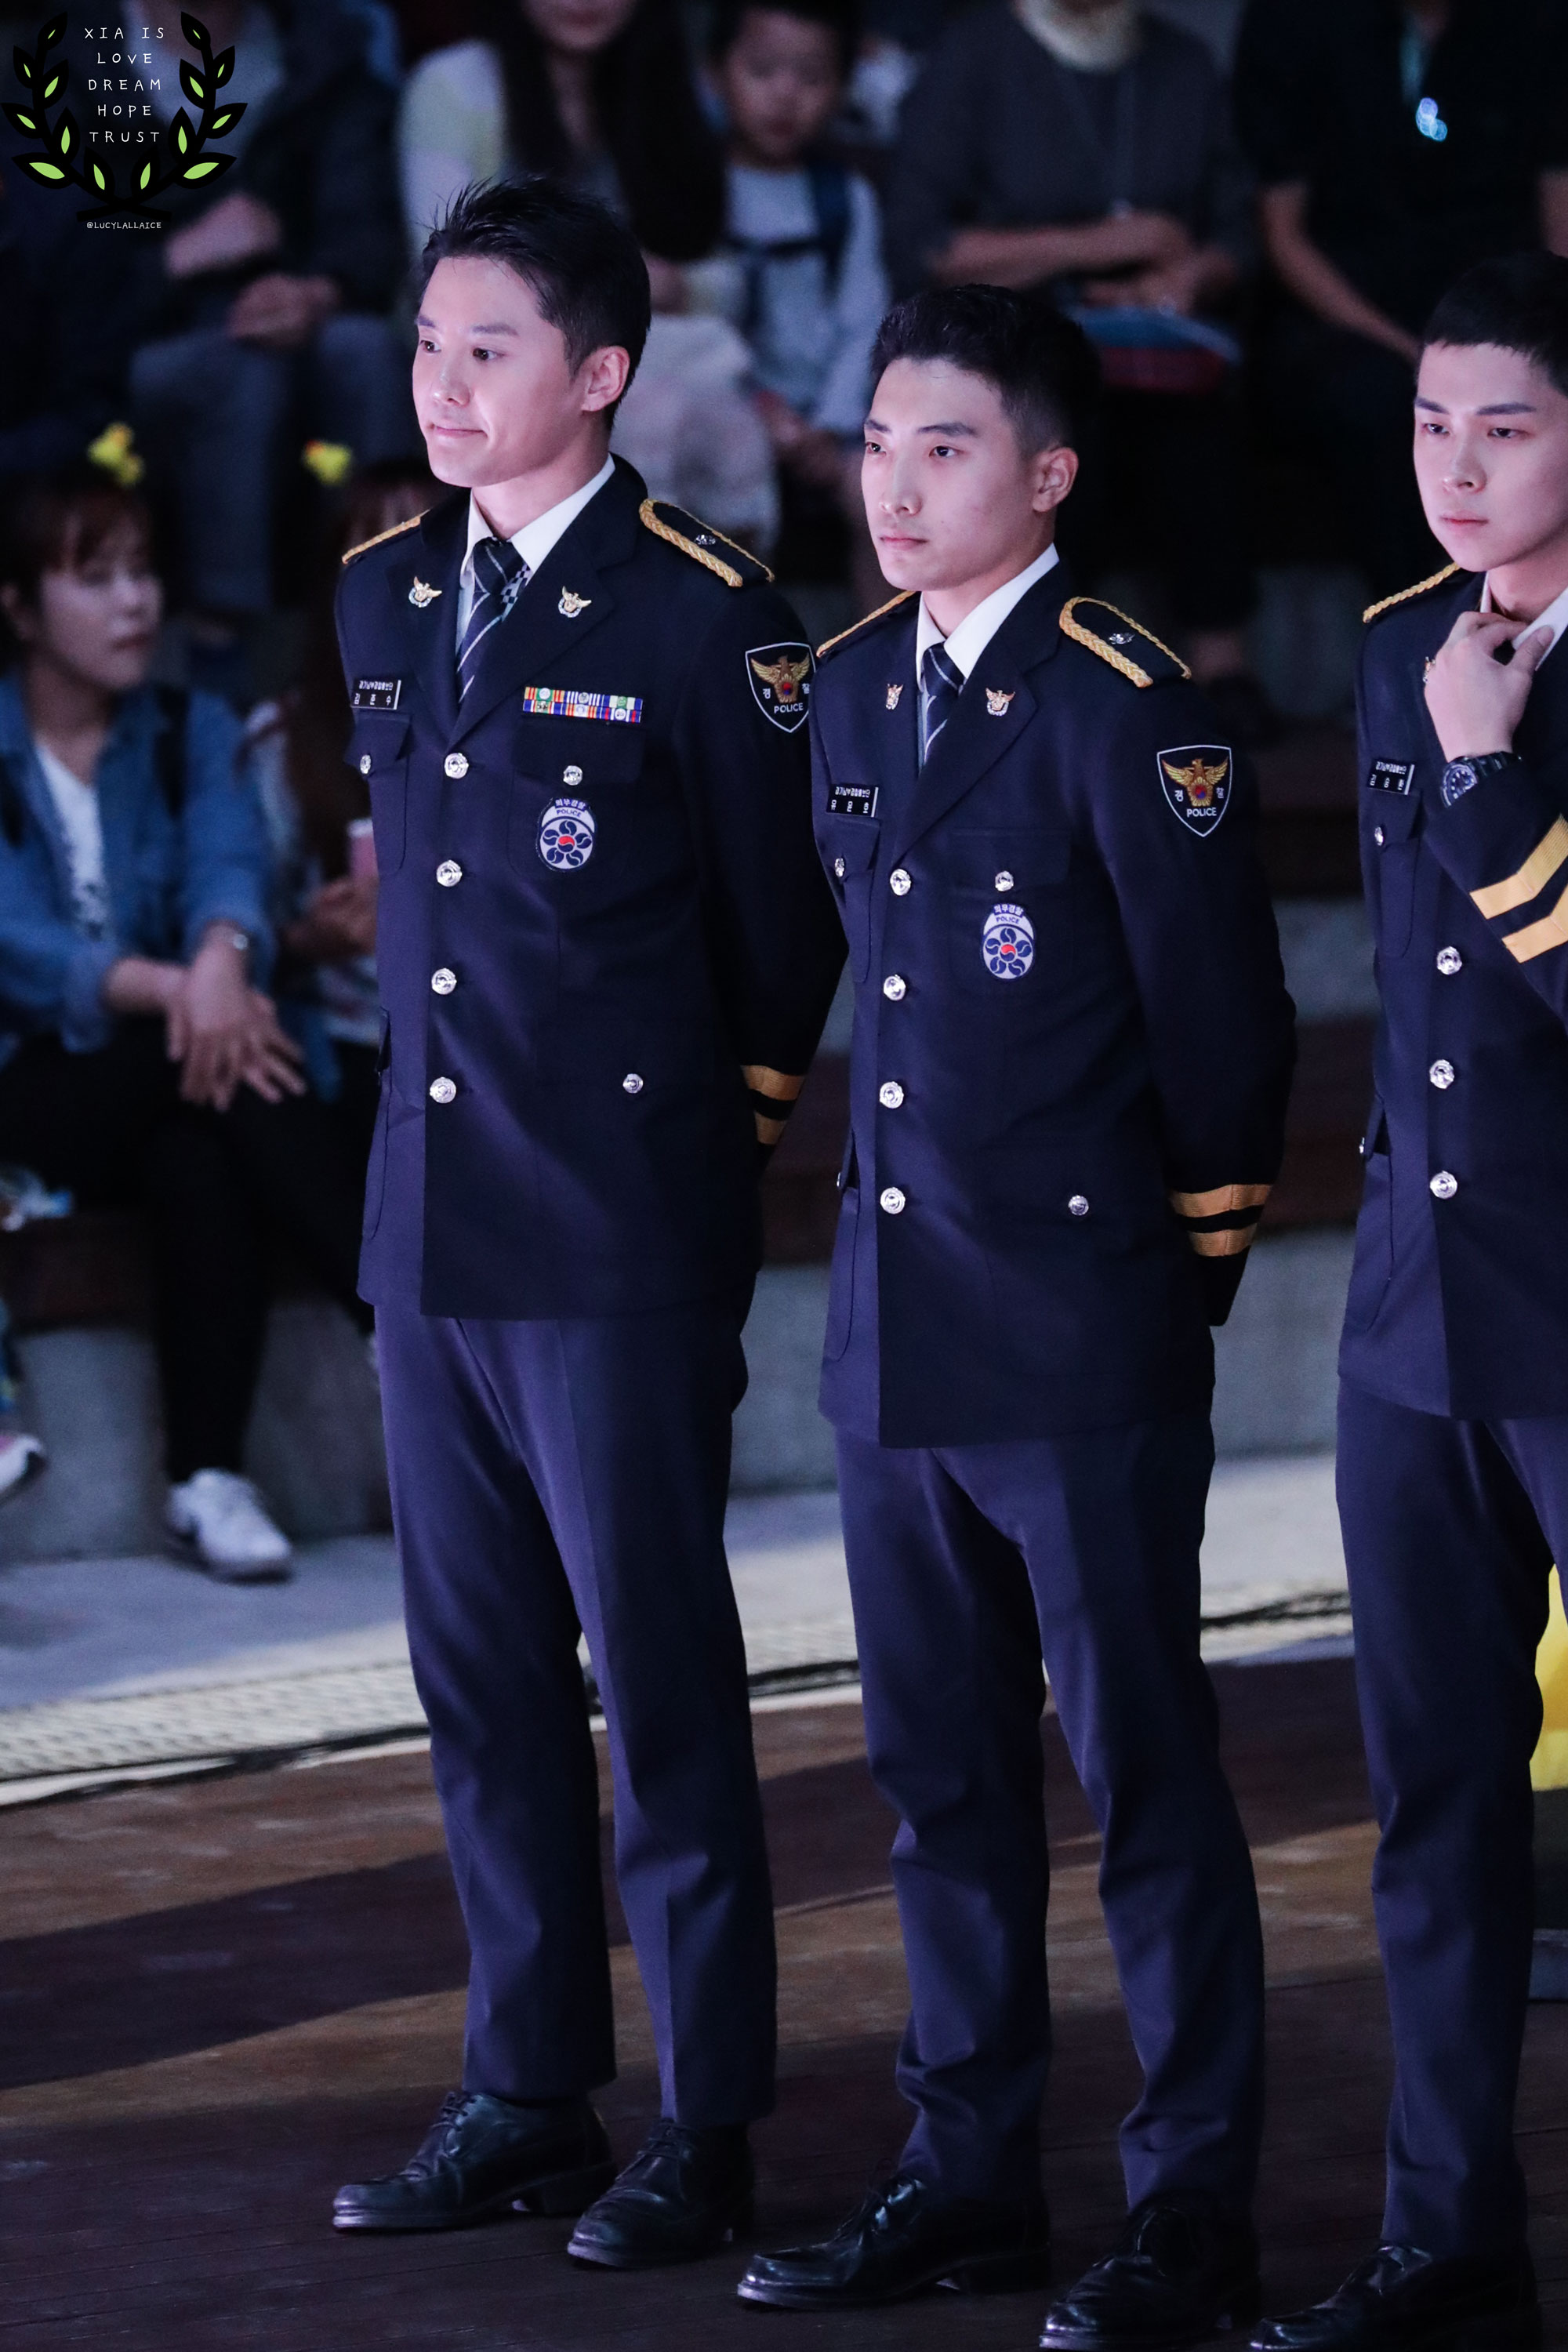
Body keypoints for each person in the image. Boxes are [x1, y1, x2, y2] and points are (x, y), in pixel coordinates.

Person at [735, 285, 1295, 2339]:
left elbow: (1226, 1045)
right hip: (900, 1329)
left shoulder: (1127, 708)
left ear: (1048, 476)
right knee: (939, 1783)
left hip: (1078, 1332)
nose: (893, 484)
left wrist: (1167, 1286)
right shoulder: (850, 693)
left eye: (947, 447)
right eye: (880, 442)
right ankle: (964, 2175)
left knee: (1143, 1782)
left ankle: (1191, 2208)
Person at [329, 178, 844, 2261]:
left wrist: (691, 1164)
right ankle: (527, 2089)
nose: (443, 387)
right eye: (428, 344)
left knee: (662, 1684)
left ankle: (707, 2121)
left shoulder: (709, 616)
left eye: (492, 349)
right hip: (432, 1226)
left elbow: (783, 941)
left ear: (604, 371)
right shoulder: (383, 593)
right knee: (479, 1688)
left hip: (619, 1233)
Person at [1248, 252, 1568, 2352]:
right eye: (1431, 422)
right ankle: (1446, 2236)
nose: (1454, 466)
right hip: (1417, 1315)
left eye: (1505, 426)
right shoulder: (1400, 648)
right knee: (1436, 1811)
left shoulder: (1449, 702)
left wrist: (1483, 772)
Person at [0, 463, 377, 1580]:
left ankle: (206, 1479)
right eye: (96, 579)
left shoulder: (187, 726)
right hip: (29, 1095)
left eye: (142, 573)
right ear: (19, 608)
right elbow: (17, 948)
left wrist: (221, 955)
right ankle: (403, 1330)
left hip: (167, 1079)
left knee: (199, 1142)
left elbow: (230, 867)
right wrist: (182, 990)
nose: (135, 603)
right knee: (210, 1065)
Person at [881, 0, 1272, 738]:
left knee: (1202, 431)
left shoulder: (1182, 64)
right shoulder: (971, 58)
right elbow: (925, 249)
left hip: (1161, 349)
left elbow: (1237, 235)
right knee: (1053, 429)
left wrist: (1185, 276)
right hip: (1015, 342)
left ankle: (1223, 669)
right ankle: (1029, 673)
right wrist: (1099, 245)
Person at [398, 0, 779, 546]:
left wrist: (669, 284)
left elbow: (724, 279)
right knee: (648, 406)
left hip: (655, 344)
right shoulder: (455, 86)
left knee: (720, 412)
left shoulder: (666, 86)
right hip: (496, 348)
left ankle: (717, 594)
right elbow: (440, 266)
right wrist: (627, 284)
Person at [123, 0, 417, 687]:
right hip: (130, 348)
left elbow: (372, 231)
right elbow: (44, 273)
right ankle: (218, 673)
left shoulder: (323, 48)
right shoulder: (76, 57)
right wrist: (175, 259)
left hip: (302, 328)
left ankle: (391, 646)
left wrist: (320, 290)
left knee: (366, 353)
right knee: (239, 377)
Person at [1233, 0, 1568, 600]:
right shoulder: (1297, 25)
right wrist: (1417, 354)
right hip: (1345, 322)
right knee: (1382, 402)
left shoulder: (1537, 26)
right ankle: (1422, 615)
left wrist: (1535, 332)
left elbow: (1558, 217)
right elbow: (1284, 235)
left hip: (1503, 316)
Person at [245, 459, 437, 1127]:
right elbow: (245, 934)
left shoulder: (532, 728)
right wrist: (312, 938)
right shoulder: (283, 738)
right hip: (335, 1055)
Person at [708, 0, 891, 610]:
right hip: (730, 404)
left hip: (828, 416)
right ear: (716, 73)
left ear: (841, 88)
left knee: (879, 499)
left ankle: (886, 655)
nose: (785, 96)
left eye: (812, 78)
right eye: (762, 72)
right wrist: (763, 413)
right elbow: (695, 327)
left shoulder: (844, 197)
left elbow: (864, 323)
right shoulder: (695, 187)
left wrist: (831, 425)